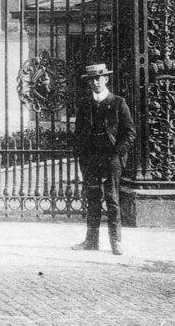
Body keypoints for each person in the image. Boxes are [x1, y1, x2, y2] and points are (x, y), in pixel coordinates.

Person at [71, 63, 135, 256]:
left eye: (99, 78)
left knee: (112, 199)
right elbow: (79, 133)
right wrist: (81, 154)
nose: (95, 82)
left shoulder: (118, 102)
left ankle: (116, 241)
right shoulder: (84, 104)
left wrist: (117, 153)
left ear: (106, 79)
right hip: (91, 159)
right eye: (91, 79)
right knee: (92, 199)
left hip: (111, 159)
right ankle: (91, 241)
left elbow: (130, 133)